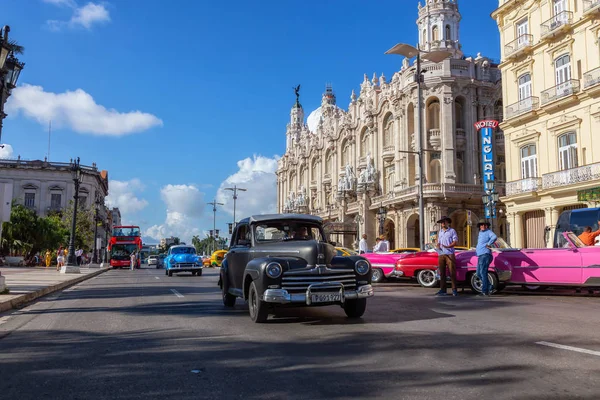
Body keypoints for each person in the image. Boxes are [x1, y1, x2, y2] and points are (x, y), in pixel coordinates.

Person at [435, 216, 459, 296]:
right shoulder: (440, 232)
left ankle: (454, 289)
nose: (442, 223)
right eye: (441, 222)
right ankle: (443, 289)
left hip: (449, 253)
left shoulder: (452, 231)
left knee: (452, 272)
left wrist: (448, 246)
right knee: (442, 273)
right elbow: (439, 242)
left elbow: (455, 241)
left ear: (447, 222)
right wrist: (437, 246)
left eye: (444, 222)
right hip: (441, 254)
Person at [475, 219, 497, 296]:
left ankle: (485, 291)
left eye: (484, 225)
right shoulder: (480, 233)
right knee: (478, 273)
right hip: (481, 255)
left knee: (483, 272)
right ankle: (490, 287)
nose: (483, 226)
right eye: (481, 225)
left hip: (485, 254)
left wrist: (489, 243)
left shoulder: (488, 232)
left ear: (487, 226)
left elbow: (494, 237)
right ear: (479, 226)